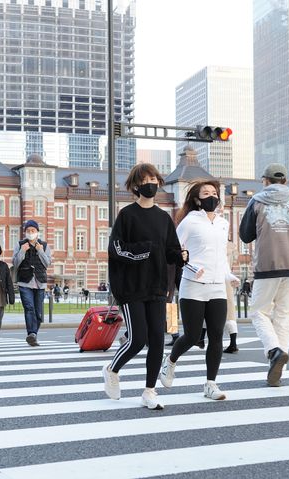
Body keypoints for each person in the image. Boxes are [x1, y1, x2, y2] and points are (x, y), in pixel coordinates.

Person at [102, 163, 187, 410]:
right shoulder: (127, 215)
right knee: (138, 339)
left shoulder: (163, 218)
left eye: (154, 179)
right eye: (146, 179)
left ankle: (150, 391)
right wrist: (145, 250)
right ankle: (111, 369)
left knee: (157, 341)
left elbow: (171, 249)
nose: (151, 183)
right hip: (131, 287)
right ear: (136, 186)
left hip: (158, 286)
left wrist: (180, 256)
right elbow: (116, 249)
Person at [159, 179, 239, 400]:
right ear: (197, 199)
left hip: (217, 287)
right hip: (193, 285)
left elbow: (221, 255)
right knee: (193, 335)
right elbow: (175, 251)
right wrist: (192, 267)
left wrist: (228, 276)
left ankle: (210, 384)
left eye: (214, 192)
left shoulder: (223, 223)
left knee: (216, 336)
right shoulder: (190, 221)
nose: (211, 196)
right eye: (206, 193)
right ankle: (170, 361)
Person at [239, 163, 289, 387]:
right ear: (284, 180)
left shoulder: (256, 201)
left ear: (265, 180)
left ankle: (274, 351)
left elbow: (245, 236)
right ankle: (278, 369)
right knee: (284, 318)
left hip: (267, 266)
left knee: (258, 312)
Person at [13, 219, 51, 346]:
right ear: (25, 232)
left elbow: (47, 264)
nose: (30, 233)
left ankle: (33, 334)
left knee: (38, 313)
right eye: (28, 231)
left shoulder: (44, 246)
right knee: (29, 308)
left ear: (37, 232)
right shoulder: (20, 245)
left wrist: (40, 250)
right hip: (25, 282)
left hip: (40, 282)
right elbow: (15, 263)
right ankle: (31, 333)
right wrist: (22, 251)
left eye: (32, 230)